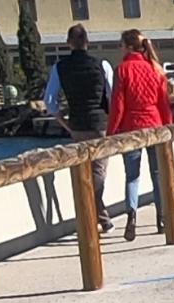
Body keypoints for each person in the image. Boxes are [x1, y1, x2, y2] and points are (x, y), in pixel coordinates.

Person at [43, 24, 114, 233]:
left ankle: (96, 217)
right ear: (87, 42)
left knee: (83, 171)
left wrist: (65, 123)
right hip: (100, 123)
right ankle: (98, 217)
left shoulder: (60, 67)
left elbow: (49, 101)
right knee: (98, 171)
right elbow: (112, 94)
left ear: (68, 43)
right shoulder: (102, 65)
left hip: (77, 124)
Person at [107, 29, 174, 241]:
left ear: (127, 47)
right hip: (154, 124)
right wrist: (168, 125)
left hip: (131, 128)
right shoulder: (154, 69)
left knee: (132, 176)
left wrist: (112, 132)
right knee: (157, 174)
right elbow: (163, 102)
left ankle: (132, 216)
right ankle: (162, 217)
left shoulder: (122, 70)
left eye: (121, 44)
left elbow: (118, 104)